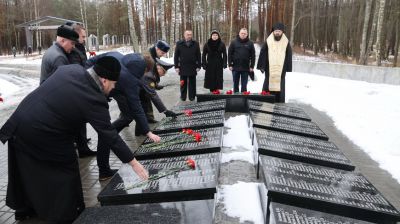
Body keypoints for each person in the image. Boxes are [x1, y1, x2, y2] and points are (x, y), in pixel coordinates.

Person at [0, 56, 149, 223]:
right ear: (104, 80)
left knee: (29, 169)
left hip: (21, 122)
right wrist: (134, 163)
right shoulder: (93, 98)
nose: (113, 89)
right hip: (40, 132)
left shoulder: (72, 69)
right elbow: (110, 135)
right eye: (113, 84)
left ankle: (26, 210)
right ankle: (70, 215)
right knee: (66, 170)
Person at [86, 52, 161, 180]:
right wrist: (148, 132)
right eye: (145, 73)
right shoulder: (130, 79)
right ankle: (104, 170)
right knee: (107, 133)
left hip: (91, 86)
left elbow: (92, 60)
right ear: (144, 69)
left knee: (109, 131)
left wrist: (81, 74)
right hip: (96, 94)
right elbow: (136, 107)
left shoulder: (117, 55)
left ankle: (104, 168)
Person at [67, 22, 97, 157]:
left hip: (81, 87)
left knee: (81, 121)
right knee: (79, 120)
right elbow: (78, 70)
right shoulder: (74, 50)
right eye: (83, 36)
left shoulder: (79, 47)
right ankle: (83, 148)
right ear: (76, 35)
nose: (85, 39)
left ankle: (82, 144)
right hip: (78, 89)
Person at [257, 22, 292, 103]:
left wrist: (288, 67)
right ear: (273, 31)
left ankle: (279, 102)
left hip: (281, 69)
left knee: (280, 85)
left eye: (279, 31)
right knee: (268, 83)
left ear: (282, 32)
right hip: (269, 68)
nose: (277, 33)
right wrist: (262, 66)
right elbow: (263, 52)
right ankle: (266, 100)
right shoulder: (268, 40)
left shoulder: (286, 41)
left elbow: (289, 54)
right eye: (276, 31)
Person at [142, 40, 170, 123]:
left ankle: (148, 118)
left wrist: (156, 85)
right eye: (162, 52)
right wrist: (165, 111)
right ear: (157, 49)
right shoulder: (149, 57)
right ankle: (141, 129)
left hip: (141, 82)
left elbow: (153, 74)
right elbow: (150, 75)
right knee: (129, 114)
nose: (163, 55)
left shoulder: (153, 55)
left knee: (146, 96)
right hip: (131, 84)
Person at [174, 30, 201, 101]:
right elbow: (176, 56)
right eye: (188, 34)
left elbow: (198, 55)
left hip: (192, 66)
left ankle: (192, 96)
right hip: (183, 66)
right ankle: (183, 96)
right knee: (183, 83)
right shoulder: (179, 43)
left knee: (192, 83)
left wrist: (199, 66)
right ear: (184, 35)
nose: (189, 36)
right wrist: (176, 66)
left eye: (190, 34)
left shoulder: (196, 43)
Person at [228, 28, 255, 93]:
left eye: (244, 33)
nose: (243, 35)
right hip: (235, 67)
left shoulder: (250, 43)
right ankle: (235, 99)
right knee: (235, 84)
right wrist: (230, 64)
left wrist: (252, 66)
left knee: (244, 85)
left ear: (247, 34)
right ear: (239, 33)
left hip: (245, 67)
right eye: (242, 33)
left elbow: (253, 55)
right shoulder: (234, 42)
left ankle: (244, 99)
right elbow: (229, 54)